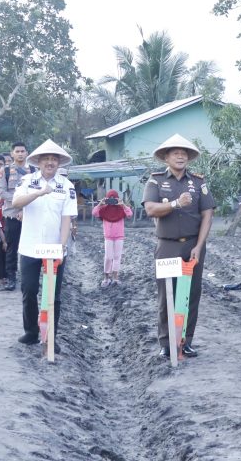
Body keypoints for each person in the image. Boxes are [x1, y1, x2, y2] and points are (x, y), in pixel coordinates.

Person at [143, 134, 215, 359]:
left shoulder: (198, 182)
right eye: (176, 152)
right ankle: (166, 342)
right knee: (167, 294)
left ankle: (186, 340)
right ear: (166, 157)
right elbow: (151, 209)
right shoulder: (155, 181)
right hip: (167, 246)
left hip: (193, 245)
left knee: (192, 293)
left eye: (184, 153)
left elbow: (207, 214)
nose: (180, 156)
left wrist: (199, 245)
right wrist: (175, 204)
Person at [10, 140, 77, 353]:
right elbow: (16, 203)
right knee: (28, 290)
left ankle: (50, 336)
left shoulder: (66, 186)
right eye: (46, 159)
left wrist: (62, 246)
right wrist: (38, 193)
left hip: (54, 249)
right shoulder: (27, 180)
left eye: (54, 159)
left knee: (53, 295)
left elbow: (67, 218)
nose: (50, 162)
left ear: (59, 163)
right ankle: (31, 331)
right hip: (29, 247)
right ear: (38, 161)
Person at [0, 142, 37, 291]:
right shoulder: (5, 170)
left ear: (27, 153)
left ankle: (31, 278)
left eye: (23, 151)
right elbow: (2, 192)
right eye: (17, 151)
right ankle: (11, 278)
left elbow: (36, 191)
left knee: (32, 246)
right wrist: (19, 205)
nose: (20, 154)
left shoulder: (34, 170)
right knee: (11, 248)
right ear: (12, 153)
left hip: (31, 215)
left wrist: (25, 208)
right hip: (12, 215)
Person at [92, 189, 133, 287]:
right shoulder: (104, 209)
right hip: (108, 237)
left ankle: (115, 277)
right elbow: (94, 213)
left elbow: (130, 214)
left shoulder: (121, 208)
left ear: (117, 198)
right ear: (106, 198)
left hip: (119, 236)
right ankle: (106, 277)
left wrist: (122, 205)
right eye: (109, 198)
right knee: (108, 257)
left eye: (114, 198)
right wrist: (100, 204)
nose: (112, 200)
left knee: (117, 257)